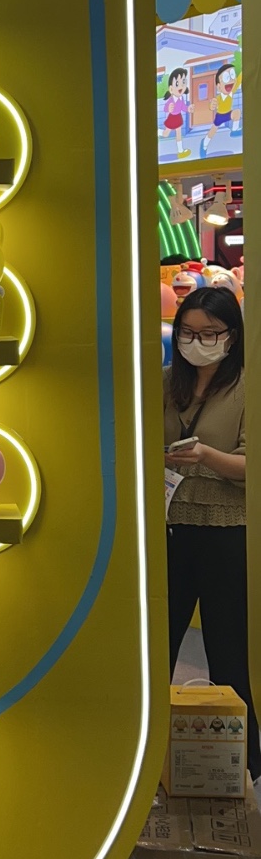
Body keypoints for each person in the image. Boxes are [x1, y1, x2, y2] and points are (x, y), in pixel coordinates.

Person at [164, 285, 259, 782]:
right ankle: (149, 751)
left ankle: (243, 766)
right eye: (187, 332)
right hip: (166, 529)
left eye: (209, 333)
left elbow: (250, 466)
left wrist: (203, 455)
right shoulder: (164, 383)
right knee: (157, 643)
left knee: (229, 650)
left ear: (231, 336)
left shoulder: (247, 387)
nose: (196, 342)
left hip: (226, 530)